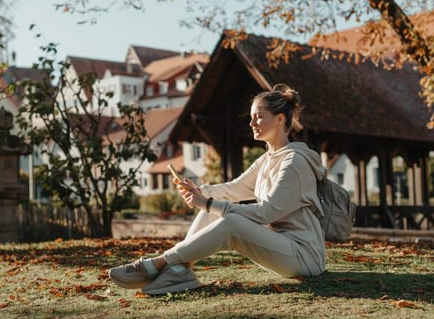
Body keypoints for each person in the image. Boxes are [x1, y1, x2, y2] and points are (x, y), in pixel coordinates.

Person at [109, 84, 327, 295]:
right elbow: (233, 189)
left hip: (304, 256)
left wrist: (208, 203)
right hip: (281, 248)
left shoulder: (294, 162)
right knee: (214, 208)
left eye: (259, 117)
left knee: (229, 219)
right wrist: (201, 192)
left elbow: (266, 213)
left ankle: (159, 263)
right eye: (251, 117)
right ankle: (180, 270)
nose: (252, 123)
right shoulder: (267, 160)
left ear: (280, 119)